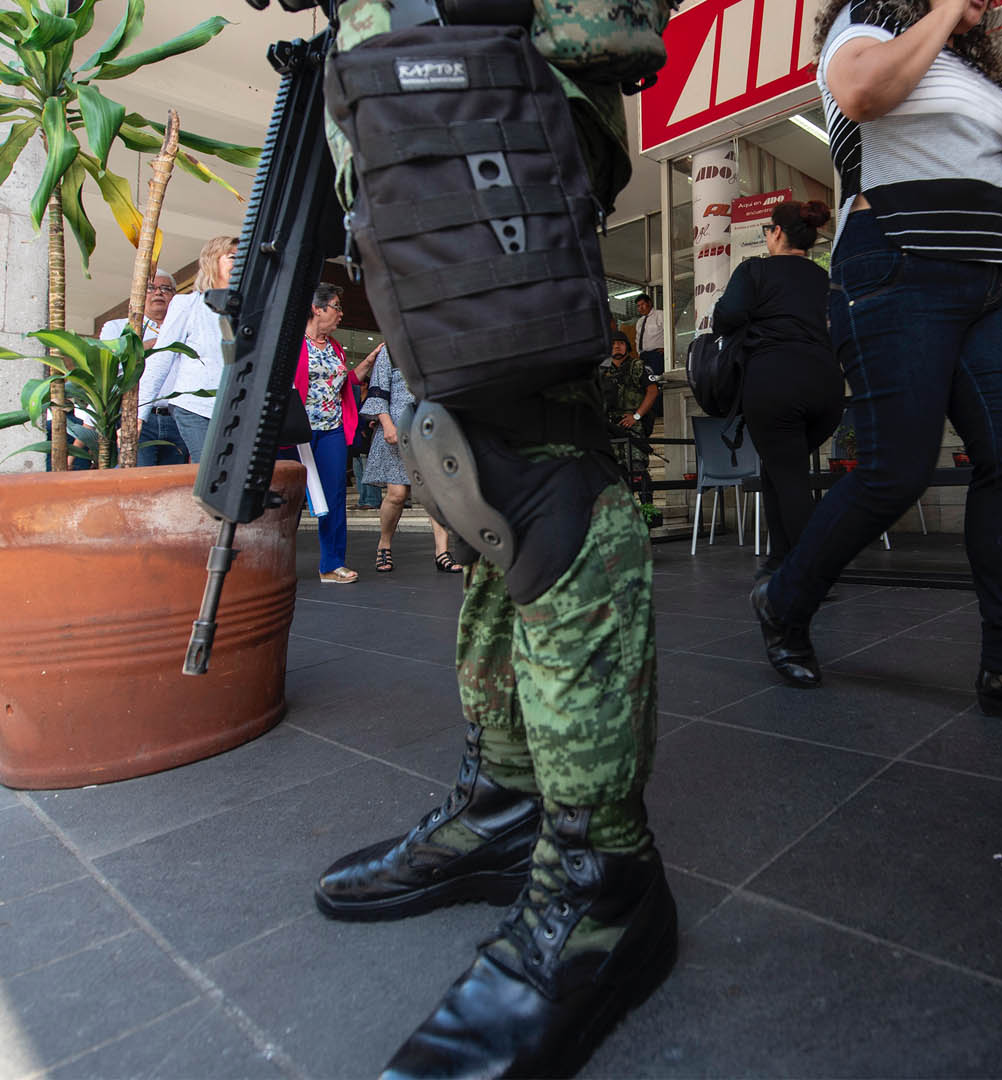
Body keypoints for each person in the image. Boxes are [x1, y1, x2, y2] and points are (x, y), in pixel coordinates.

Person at [314, 1, 673, 1074]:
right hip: (402, 88)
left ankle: (604, 881)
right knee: (475, 455)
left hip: (485, 68)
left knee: (533, 462)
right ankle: (507, 805)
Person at [748, 0, 1002, 740]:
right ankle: (784, 600)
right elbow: (863, 96)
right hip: (897, 266)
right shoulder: (866, 30)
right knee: (896, 468)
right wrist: (948, 8)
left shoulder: (967, 68)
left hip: (991, 282)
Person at [714, 201, 841, 578]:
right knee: (779, 470)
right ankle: (780, 559)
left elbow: (726, 317)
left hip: (775, 384)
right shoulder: (824, 279)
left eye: (768, 230)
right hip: (826, 387)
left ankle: (809, 572)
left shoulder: (754, 270)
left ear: (777, 234)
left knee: (789, 477)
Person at [279, 283, 365, 584]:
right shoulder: (292, 344)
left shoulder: (336, 346)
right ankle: (276, 562)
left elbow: (343, 381)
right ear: (317, 309)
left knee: (334, 495)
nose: (340, 314)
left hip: (332, 429)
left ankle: (332, 564)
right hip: (296, 430)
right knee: (286, 497)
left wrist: (365, 364)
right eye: (336, 307)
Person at [359, 340, 463, 574]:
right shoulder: (391, 349)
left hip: (430, 431)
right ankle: (384, 545)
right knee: (397, 495)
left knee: (436, 495)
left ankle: (442, 552)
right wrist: (386, 425)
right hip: (397, 429)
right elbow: (377, 390)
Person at [140, 237, 237, 462]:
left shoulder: (246, 308)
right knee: (211, 471)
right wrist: (139, 415)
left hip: (235, 408)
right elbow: (162, 358)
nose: (241, 263)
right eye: (233, 257)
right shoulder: (188, 304)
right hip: (195, 408)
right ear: (212, 261)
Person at [98, 270, 187, 467]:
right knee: (138, 479)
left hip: (179, 418)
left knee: (174, 484)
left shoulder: (185, 330)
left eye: (166, 289)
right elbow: (107, 366)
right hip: (137, 418)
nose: (158, 293)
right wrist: (147, 346)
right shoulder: (118, 328)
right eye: (151, 288)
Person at [599, 332, 660, 484]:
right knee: (615, 473)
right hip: (611, 427)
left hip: (633, 425)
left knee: (637, 470)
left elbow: (653, 391)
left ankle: (646, 507)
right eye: (613, 344)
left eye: (620, 343)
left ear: (627, 346)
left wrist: (637, 416)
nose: (616, 347)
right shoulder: (603, 371)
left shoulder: (638, 366)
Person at [633, 293, 666, 378]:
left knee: (656, 379)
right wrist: (639, 353)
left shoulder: (660, 315)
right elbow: (637, 339)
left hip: (657, 354)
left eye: (642, 304)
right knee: (645, 380)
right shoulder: (640, 321)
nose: (640, 308)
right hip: (643, 356)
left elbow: (670, 332)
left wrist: (667, 349)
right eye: (638, 306)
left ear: (650, 303)